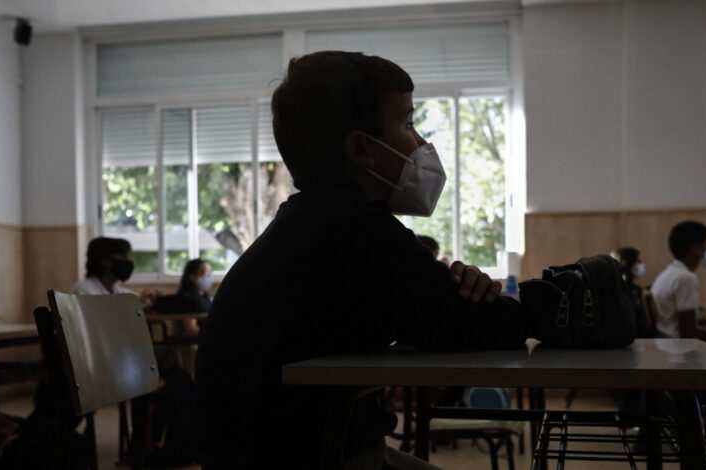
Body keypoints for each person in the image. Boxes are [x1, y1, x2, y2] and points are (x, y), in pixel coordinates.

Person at [195, 51, 529, 469]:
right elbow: (488, 325)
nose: (421, 143)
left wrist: (466, 296)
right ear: (361, 148)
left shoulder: (313, 220)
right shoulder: (354, 230)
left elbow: (437, 311)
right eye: (407, 123)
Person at [651, 221, 706, 338]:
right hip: (677, 346)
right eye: (705, 247)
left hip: (663, 342)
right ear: (695, 248)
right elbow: (688, 333)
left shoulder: (668, 273)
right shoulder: (686, 278)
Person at [149, 258, 213, 335]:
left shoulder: (206, 298)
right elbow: (191, 330)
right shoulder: (189, 299)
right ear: (192, 277)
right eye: (206, 274)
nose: (209, 277)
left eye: (210, 274)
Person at [614, 247, 653, 338]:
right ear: (626, 263)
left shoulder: (637, 290)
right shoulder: (618, 290)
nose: (641, 264)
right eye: (638, 261)